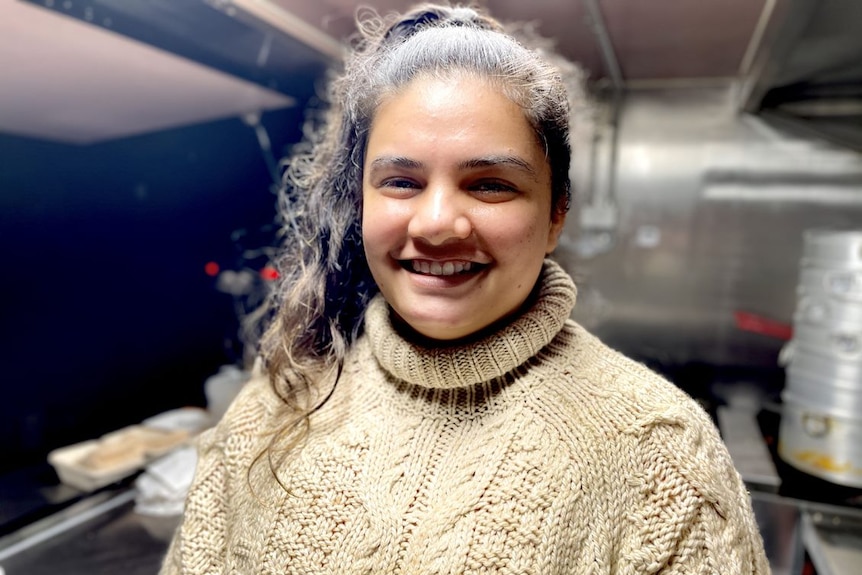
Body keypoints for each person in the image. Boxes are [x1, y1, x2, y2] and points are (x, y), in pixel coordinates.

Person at [161, 3, 771, 573]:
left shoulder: (659, 455)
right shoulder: (285, 394)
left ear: (556, 214)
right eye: (401, 181)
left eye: (489, 185)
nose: (436, 224)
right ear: (360, 202)